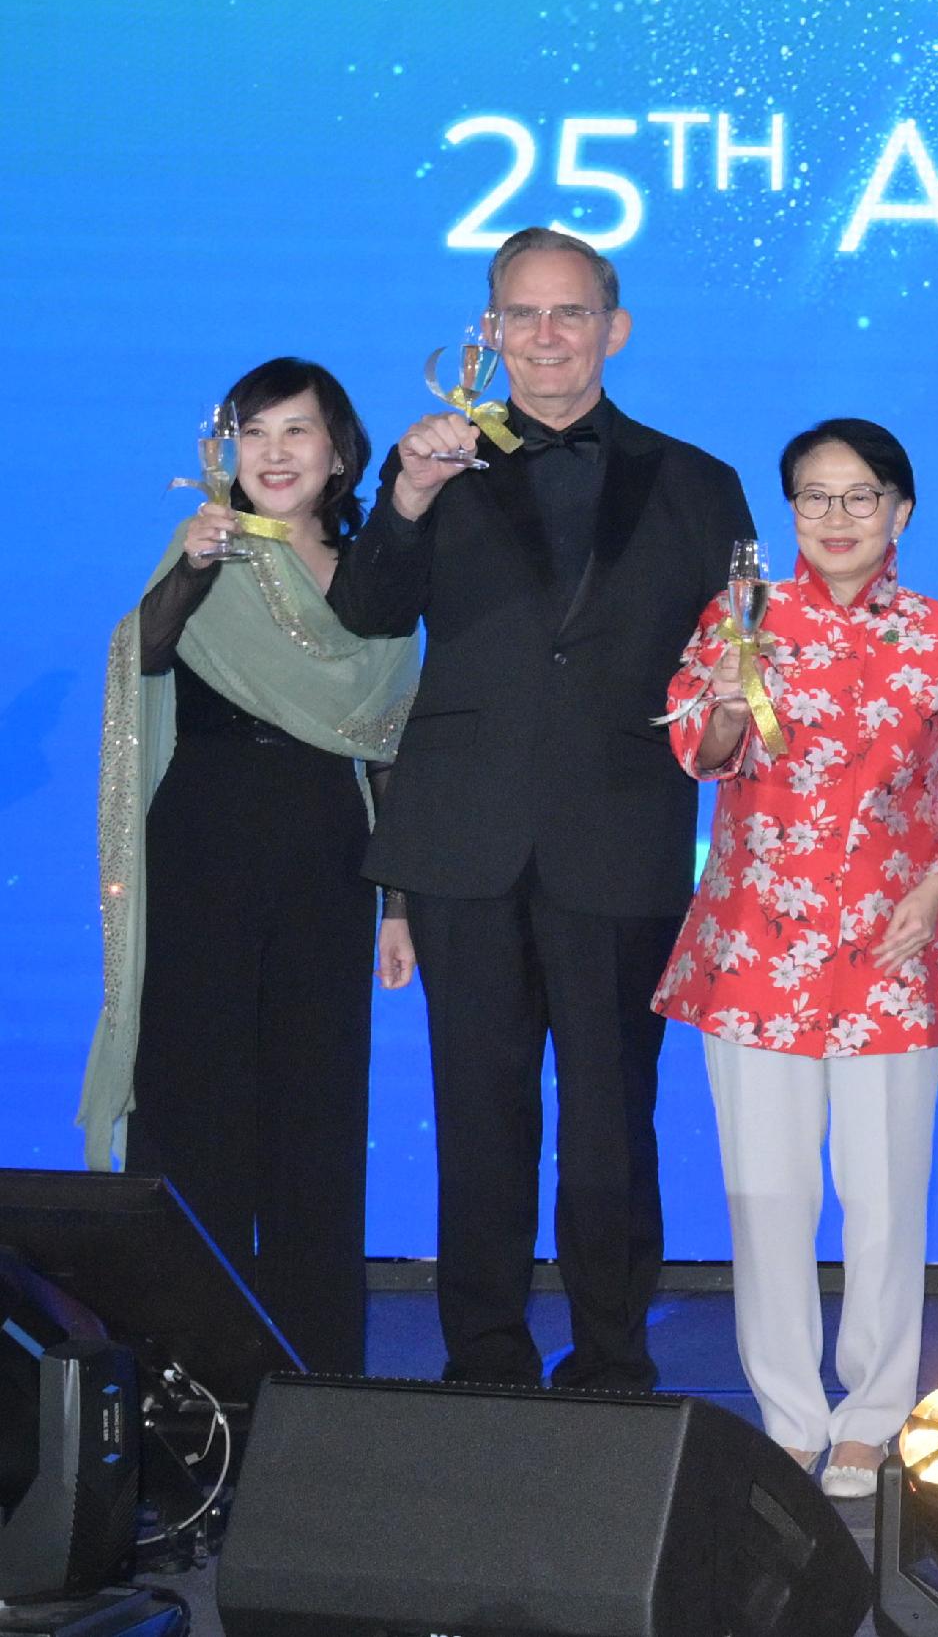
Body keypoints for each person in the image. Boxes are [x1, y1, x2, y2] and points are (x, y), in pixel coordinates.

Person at [334, 227, 754, 1391]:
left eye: (570, 313)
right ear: (490, 333)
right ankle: (484, 1360)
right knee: (478, 1120)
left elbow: (744, 658)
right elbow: (370, 613)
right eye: (522, 315)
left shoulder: (697, 480)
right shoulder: (435, 464)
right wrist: (408, 493)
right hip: (464, 839)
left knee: (615, 1123)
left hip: (621, 838)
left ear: (614, 329)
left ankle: (614, 1359)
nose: (547, 336)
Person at [656, 419, 938, 1498]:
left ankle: (871, 1414)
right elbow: (694, 749)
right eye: (814, 498)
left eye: (860, 497)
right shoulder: (740, 617)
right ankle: (787, 1414)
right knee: (765, 1193)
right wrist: (724, 705)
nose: (837, 518)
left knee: (882, 1196)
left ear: (901, 510)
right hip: (754, 953)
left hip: (894, 950)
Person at [87, 358, 416, 1375]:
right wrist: (189, 565)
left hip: (331, 853)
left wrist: (399, 902)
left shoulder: (378, 568)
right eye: (253, 432)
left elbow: (392, 743)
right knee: (196, 1104)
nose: (274, 452)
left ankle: (319, 1372)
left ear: (339, 453)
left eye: (296, 432)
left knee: (318, 1112)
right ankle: (191, 1376)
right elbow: (140, 654)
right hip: (208, 842)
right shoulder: (209, 553)